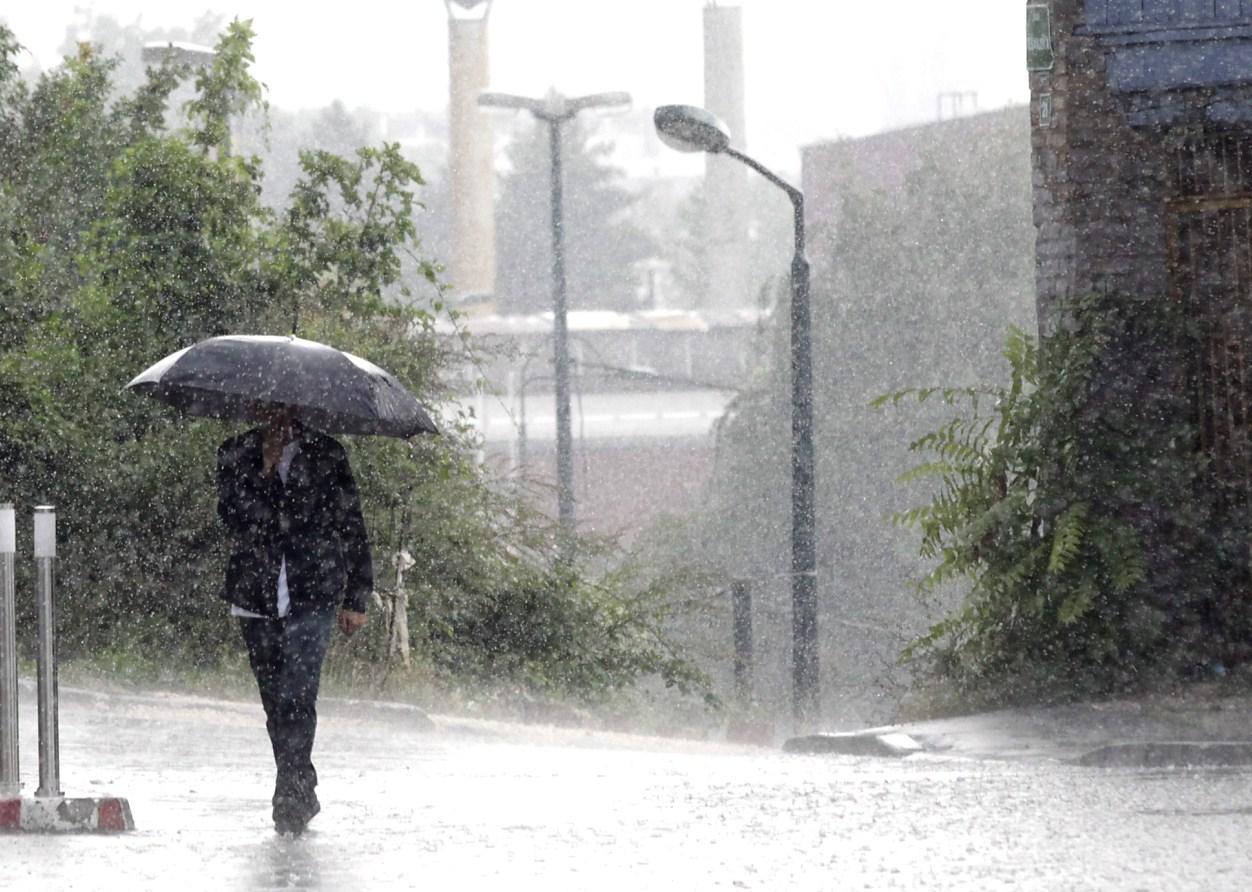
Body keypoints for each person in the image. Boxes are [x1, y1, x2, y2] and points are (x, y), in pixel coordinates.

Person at [216, 404, 372, 835]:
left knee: (296, 695)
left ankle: (288, 791)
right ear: (257, 406)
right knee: (273, 702)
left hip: (314, 591)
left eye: (287, 408)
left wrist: (357, 595)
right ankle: (301, 781)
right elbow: (231, 518)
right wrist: (264, 469)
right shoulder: (235, 452)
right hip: (255, 592)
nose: (280, 416)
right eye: (270, 407)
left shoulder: (327, 454)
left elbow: (350, 524)